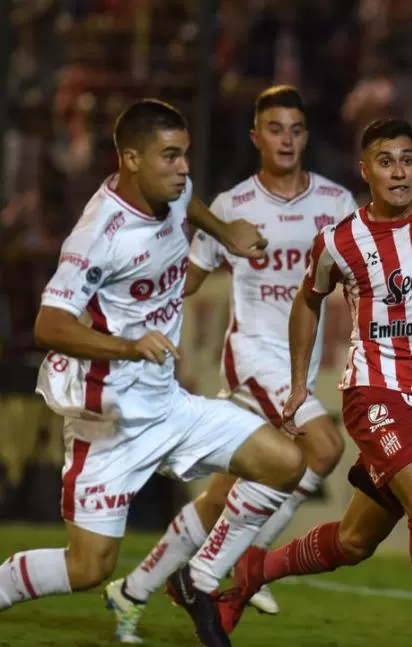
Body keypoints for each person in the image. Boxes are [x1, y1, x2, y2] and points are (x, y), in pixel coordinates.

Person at [0, 99, 307, 647]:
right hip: (108, 419)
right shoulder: (100, 232)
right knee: (87, 567)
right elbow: (48, 324)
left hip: (167, 403)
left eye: (185, 154)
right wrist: (126, 345)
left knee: (284, 462)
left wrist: (224, 231)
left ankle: (200, 576)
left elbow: (191, 203)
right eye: (171, 156)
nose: (184, 167)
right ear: (131, 158)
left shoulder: (173, 189)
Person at [216, 118, 412, 647]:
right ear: (366, 172)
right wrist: (298, 383)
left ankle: (253, 574)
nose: (399, 171)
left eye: (408, 159)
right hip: (373, 390)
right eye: (386, 161)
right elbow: (307, 301)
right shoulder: (342, 241)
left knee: (354, 541)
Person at [101, 86, 357, 644]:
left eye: (295, 128)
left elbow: (362, 278)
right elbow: (187, 281)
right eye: (274, 128)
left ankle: (136, 588)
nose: (286, 139)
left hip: (296, 369)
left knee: (224, 495)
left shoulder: (336, 204)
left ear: (306, 138)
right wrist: (131, 321)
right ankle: (241, 566)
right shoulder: (232, 206)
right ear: (255, 137)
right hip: (252, 362)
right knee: (324, 447)